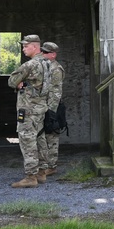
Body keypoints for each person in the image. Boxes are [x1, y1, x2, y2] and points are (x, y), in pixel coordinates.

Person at [8, 34, 50, 188]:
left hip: (28, 109)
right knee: (40, 138)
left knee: (27, 139)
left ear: (35, 46)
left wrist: (20, 83)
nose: (23, 48)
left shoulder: (30, 65)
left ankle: (31, 176)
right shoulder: (48, 63)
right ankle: (41, 172)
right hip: (40, 107)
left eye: (26, 46)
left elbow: (12, 80)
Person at [38, 41, 64, 177]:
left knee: (51, 136)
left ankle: (52, 166)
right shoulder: (45, 66)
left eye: (46, 52)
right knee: (43, 137)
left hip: (51, 107)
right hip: (43, 105)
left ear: (53, 55)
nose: (43, 54)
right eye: (42, 51)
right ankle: (44, 164)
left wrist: (50, 111)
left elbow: (55, 92)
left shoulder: (55, 69)